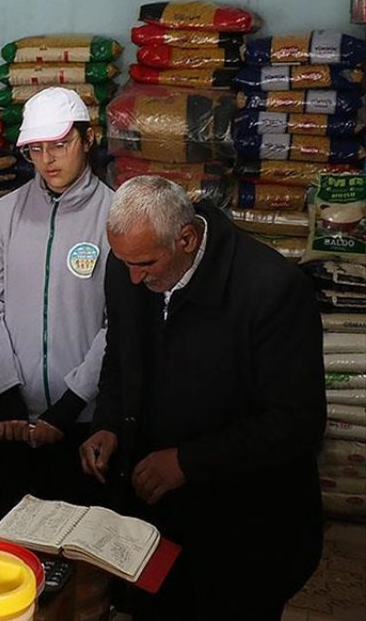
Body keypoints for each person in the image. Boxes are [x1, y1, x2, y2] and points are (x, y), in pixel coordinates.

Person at [81, 176, 324, 620]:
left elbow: (296, 420)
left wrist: (187, 462)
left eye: (145, 264)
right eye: (125, 263)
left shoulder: (271, 289)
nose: (133, 277)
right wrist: (110, 422)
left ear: (187, 239)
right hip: (158, 518)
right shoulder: (128, 267)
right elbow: (121, 354)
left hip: (245, 527)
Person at [0, 87, 112, 517]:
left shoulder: (114, 215)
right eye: (36, 149)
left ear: (88, 139)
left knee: (76, 534)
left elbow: (118, 323)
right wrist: (8, 392)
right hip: (10, 418)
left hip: (79, 419)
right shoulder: (5, 213)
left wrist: (70, 405)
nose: (48, 160)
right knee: (17, 529)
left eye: (60, 145)